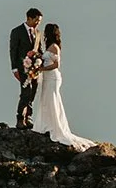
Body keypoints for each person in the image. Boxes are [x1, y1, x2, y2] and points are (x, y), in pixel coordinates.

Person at [28, 20, 94, 150]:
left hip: (52, 77)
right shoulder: (50, 47)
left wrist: (42, 69)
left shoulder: (54, 47)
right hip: (48, 78)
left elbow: (56, 65)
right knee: (46, 100)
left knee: (53, 100)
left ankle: (55, 126)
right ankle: (46, 124)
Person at [8, 8, 43, 129]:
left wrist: (38, 58)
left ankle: (28, 116)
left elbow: (40, 50)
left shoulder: (38, 33)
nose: (38, 23)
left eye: (39, 21)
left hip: (35, 68)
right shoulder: (17, 31)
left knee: (33, 91)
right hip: (22, 67)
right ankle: (20, 118)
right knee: (26, 92)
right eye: (36, 20)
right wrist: (14, 68)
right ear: (29, 18)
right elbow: (13, 50)